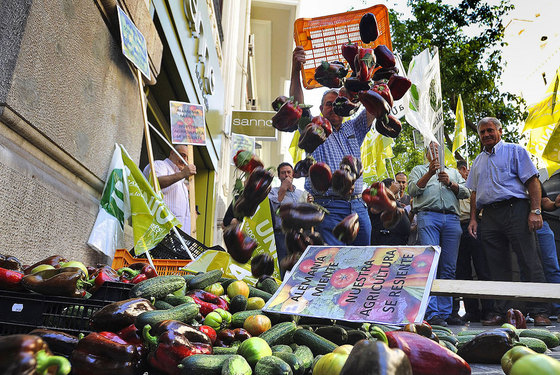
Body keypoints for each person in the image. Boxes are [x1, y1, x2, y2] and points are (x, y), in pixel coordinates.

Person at [466, 117, 551, 326]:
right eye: (482, 132)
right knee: (496, 265)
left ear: (500, 131)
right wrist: (473, 219)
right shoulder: (477, 161)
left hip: (517, 209)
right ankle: (503, 311)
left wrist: (536, 211)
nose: (486, 135)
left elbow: (533, 182)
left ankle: (540, 310)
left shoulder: (515, 151)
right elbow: (475, 193)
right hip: (490, 216)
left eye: (490, 130)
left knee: (529, 260)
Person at [290, 46, 375, 246]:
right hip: (328, 207)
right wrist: (295, 70)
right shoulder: (314, 129)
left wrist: (365, 71)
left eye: (339, 103)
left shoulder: (353, 127)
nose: (334, 107)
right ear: (320, 109)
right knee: (334, 264)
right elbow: (296, 105)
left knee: (362, 263)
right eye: (329, 104)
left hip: (358, 207)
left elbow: (374, 104)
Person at [408, 142, 469, 326]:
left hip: (451, 219)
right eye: (432, 150)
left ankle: (446, 311)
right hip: (428, 216)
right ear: (427, 154)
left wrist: (450, 183)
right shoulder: (418, 170)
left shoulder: (454, 172)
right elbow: (412, 190)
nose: (435, 152)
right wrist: (429, 174)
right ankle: (432, 312)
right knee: (430, 265)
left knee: (448, 267)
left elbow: (466, 192)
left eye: (438, 150)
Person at [449, 160, 493, 324]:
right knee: (462, 271)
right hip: (456, 227)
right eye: (461, 170)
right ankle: (472, 311)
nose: (464, 172)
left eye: (465, 170)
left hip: (475, 224)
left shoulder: (475, 185)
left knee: (482, 268)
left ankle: (489, 310)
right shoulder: (450, 185)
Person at [143, 145, 196, 235]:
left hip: (177, 236)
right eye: (182, 155)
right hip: (159, 231)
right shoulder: (160, 165)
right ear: (172, 153)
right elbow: (156, 183)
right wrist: (183, 174)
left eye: (187, 158)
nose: (185, 160)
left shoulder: (182, 182)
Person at [269, 162, 310, 263]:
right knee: (284, 262)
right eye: (283, 173)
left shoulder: (300, 193)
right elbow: (274, 207)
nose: (286, 175)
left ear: (293, 175)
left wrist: (309, 203)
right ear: (279, 176)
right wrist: (283, 188)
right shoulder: (272, 192)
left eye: (288, 172)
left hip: (299, 234)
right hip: (282, 235)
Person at [534, 182, 560, 319]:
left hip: (541, 224)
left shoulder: (533, 176)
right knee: (527, 267)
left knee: (551, 264)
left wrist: (555, 204)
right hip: (518, 225)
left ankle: (558, 308)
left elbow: (545, 201)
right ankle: (533, 309)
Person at [370, 178, 410, 245]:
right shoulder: (377, 203)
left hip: (399, 246)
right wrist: (391, 192)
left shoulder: (398, 204)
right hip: (383, 246)